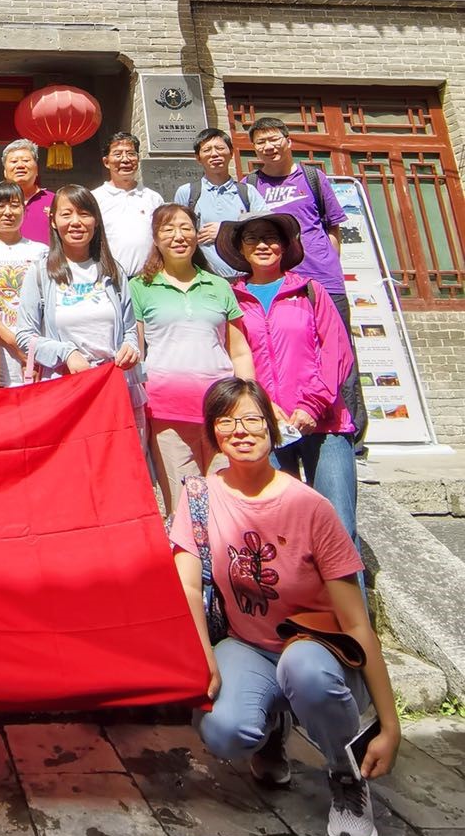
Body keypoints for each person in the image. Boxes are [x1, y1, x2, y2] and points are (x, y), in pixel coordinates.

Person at [170, 379, 399, 836]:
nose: (241, 431)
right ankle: (271, 727)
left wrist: (390, 725)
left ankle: (346, 775)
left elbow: (356, 622)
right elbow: (188, 586)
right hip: (247, 645)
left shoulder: (310, 507)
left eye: (252, 419)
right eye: (226, 421)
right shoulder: (198, 497)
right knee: (224, 731)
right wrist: (204, 657)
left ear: (272, 428)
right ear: (213, 433)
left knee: (303, 669)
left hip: (317, 651)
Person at [217, 214, 359, 547]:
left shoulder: (310, 291)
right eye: (252, 238)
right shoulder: (231, 298)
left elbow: (336, 351)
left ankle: (346, 584)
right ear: (241, 249)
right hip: (265, 425)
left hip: (325, 422)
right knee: (278, 531)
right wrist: (263, 407)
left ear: (284, 245)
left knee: (337, 526)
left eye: (271, 237)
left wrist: (312, 405)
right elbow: (229, 357)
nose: (262, 245)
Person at [128, 203, 256, 517]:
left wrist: (250, 402)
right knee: (185, 508)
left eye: (186, 228)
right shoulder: (139, 287)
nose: (179, 236)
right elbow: (137, 351)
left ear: (196, 235)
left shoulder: (219, 285)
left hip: (222, 411)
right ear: (155, 239)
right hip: (167, 411)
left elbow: (239, 351)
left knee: (229, 505)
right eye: (168, 229)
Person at [246, 116, 368, 444]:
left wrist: (329, 264)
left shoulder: (313, 178)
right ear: (254, 149)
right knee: (287, 357)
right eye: (261, 142)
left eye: (274, 139)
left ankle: (352, 437)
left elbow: (333, 226)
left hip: (322, 281)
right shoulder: (251, 184)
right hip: (279, 283)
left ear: (288, 141)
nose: (268, 146)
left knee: (339, 355)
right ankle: (291, 430)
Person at [14, 184, 143, 430]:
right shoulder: (40, 273)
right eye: (66, 214)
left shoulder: (113, 270)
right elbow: (24, 335)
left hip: (115, 389)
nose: (76, 222)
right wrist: (66, 353)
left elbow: (129, 329)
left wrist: (131, 348)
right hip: (66, 393)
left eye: (84, 214)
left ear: (96, 221)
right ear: (53, 221)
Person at [0, 180, 48, 386]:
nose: (7, 212)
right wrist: (15, 345)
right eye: (0, 205)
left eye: (14, 205)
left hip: (36, 352)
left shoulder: (42, 252)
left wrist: (32, 351)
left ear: (24, 210)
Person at [173, 128, 270, 279]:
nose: (214, 154)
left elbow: (266, 227)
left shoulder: (247, 191)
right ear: (198, 158)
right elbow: (178, 232)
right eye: (207, 150)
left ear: (231, 153)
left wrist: (225, 230)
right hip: (204, 279)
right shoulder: (187, 192)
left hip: (247, 278)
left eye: (220, 148)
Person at [91, 132, 164, 278]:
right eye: (117, 154)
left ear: (138, 158)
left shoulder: (154, 198)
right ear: (106, 162)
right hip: (108, 278)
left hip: (148, 278)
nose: (125, 159)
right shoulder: (94, 198)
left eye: (131, 154)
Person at [0, 139, 54, 246]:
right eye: (14, 161)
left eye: (26, 160)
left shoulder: (54, 201)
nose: (20, 165)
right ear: (5, 172)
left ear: (37, 170)